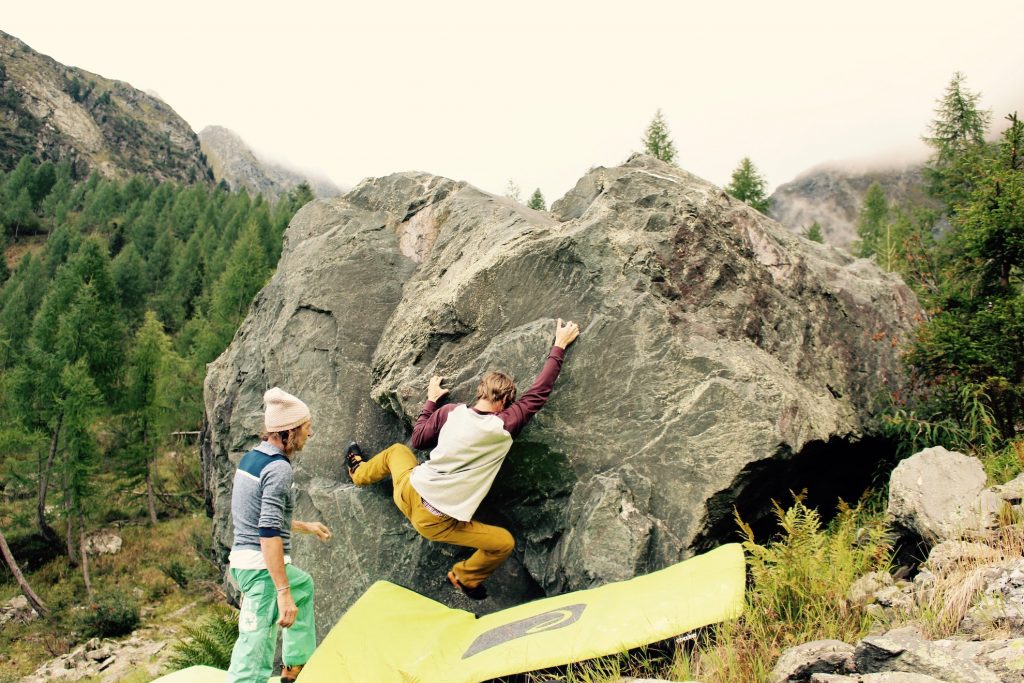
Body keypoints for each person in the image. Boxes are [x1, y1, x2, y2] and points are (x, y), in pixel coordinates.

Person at [347, 318, 580, 599]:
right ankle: (465, 576)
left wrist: (432, 400)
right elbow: (538, 393)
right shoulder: (503, 426)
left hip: (408, 489)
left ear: (480, 392)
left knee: (398, 451)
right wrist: (559, 345)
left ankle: (358, 473)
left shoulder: (451, 412)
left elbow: (419, 439)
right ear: (505, 403)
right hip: (435, 522)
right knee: (502, 542)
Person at [226, 387, 333, 683]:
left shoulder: (253, 459)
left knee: (304, 586)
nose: (308, 435)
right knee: (254, 653)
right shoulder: (279, 469)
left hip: (247, 559)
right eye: (306, 428)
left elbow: (259, 516)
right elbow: (268, 531)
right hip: (261, 569)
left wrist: (305, 526)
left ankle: (295, 666)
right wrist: (283, 593)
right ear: (290, 431)